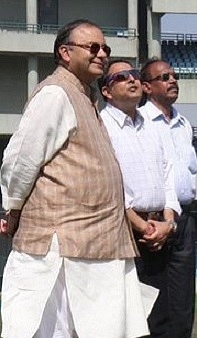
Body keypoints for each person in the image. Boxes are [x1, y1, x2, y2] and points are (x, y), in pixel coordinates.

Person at [0, 19, 155, 338]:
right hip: (63, 244)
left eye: (105, 49)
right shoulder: (56, 93)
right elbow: (20, 159)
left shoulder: (84, 97)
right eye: (93, 47)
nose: (102, 54)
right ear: (65, 52)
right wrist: (12, 208)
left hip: (97, 243)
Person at [98, 59, 184, 337]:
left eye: (134, 74)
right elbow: (108, 186)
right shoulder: (102, 127)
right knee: (122, 321)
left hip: (159, 233)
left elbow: (168, 175)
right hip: (124, 234)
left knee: (160, 320)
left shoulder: (151, 125)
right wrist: (142, 226)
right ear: (106, 91)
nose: (133, 80)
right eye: (122, 77)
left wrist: (167, 222)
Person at [138, 59, 197, 337]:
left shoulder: (184, 123)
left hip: (184, 219)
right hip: (153, 220)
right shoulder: (140, 123)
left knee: (184, 306)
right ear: (147, 87)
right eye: (164, 77)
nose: (172, 80)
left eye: (174, 75)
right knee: (155, 305)